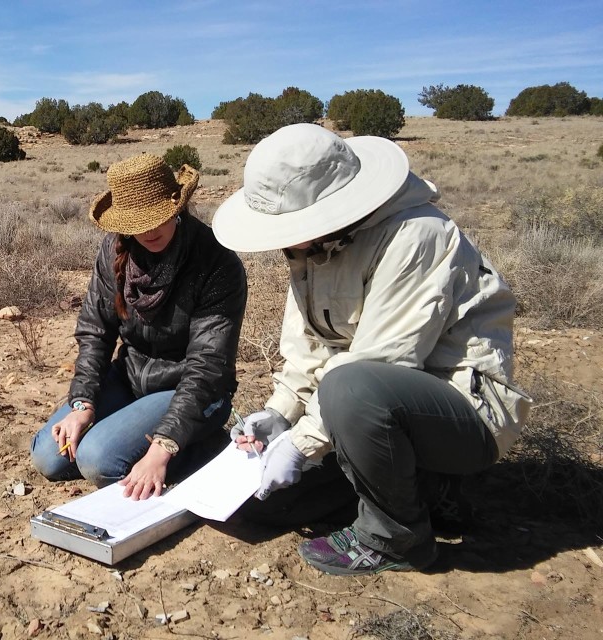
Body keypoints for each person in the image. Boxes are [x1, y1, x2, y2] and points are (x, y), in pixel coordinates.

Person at [212, 123, 531, 576]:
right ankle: (421, 486)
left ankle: (395, 537)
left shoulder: (418, 236)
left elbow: (381, 361)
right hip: (367, 407)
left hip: (464, 415)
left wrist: (301, 445)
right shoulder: (311, 249)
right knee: (261, 508)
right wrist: (281, 411)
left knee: (351, 387)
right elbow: (309, 345)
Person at [30, 153, 248, 500]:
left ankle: (206, 448)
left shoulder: (216, 262)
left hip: (193, 392)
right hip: (131, 378)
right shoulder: (113, 252)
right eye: (136, 222)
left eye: (157, 217)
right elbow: (95, 331)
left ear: (177, 206)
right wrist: (82, 404)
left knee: (98, 460)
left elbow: (207, 367)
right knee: (47, 456)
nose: (148, 230)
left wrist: (162, 450)